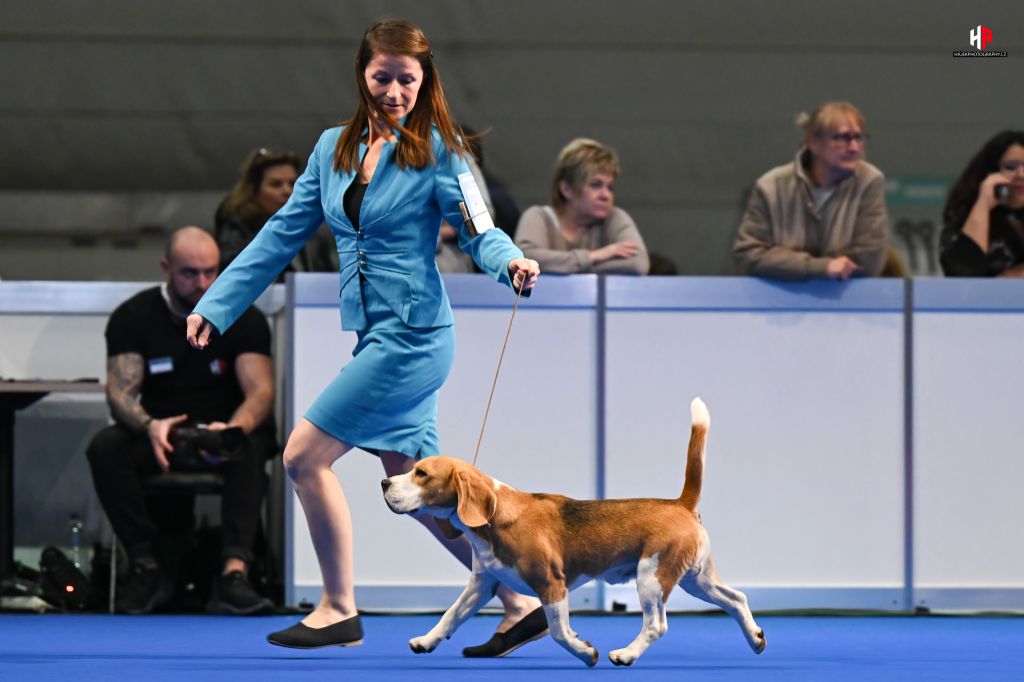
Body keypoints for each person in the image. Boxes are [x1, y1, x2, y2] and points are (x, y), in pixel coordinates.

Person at [185, 19, 543, 655]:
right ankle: (517, 601)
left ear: (424, 80)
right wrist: (218, 303)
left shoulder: (443, 150)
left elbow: (480, 227)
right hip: (374, 333)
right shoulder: (331, 149)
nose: (396, 90)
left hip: (414, 338)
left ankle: (337, 608)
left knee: (301, 456)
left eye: (409, 79)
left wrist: (509, 260)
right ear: (363, 75)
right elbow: (278, 236)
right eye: (384, 77)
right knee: (421, 484)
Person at [85, 226, 277, 615]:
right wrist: (149, 426)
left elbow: (260, 391)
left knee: (252, 442)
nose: (202, 283)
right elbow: (120, 392)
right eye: (190, 273)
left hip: (221, 432)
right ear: (166, 269)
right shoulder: (133, 316)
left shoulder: (244, 316)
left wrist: (232, 429)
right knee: (105, 447)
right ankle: (146, 565)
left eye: (211, 272)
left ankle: (233, 574)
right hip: (162, 434)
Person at [732, 101, 889, 280]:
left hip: (844, 299)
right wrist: (821, 267)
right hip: (779, 299)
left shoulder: (870, 180)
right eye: (842, 138)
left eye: (858, 138)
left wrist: (784, 263)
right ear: (814, 143)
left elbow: (870, 259)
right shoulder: (771, 186)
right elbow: (748, 255)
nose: (854, 147)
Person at [515, 138, 649, 275]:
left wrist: (567, 268)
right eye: (596, 185)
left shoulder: (614, 217)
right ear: (567, 189)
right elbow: (524, 260)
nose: (606, 195)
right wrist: (594, 256)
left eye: (610, 187)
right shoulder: (539, 217)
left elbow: (637, 264)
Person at [215, 148, 338, 279]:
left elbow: (330, 282)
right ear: (253, 190)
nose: (287, 191)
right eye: (276, 184)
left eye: (292, 183)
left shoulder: (311, 232)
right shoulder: (236, 228)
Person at [940, 130, 1024, 277]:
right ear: (991, 173)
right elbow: (963, 276)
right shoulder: (966, 215)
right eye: (1011, 167)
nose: (1021, 175)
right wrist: (984, 203)